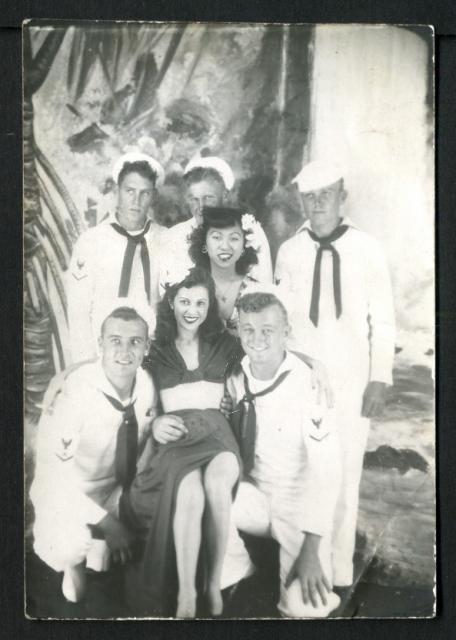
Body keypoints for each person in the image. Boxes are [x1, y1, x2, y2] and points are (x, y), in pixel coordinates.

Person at [275, 160, 395, 591]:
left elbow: (383, 319)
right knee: (305, 468)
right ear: (301, 201)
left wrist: (379, 377)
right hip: (303, 376)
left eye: (326, 194)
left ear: (342, 196)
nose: (318, 203)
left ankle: (339, 573)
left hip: (352, 379)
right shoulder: (290, 251)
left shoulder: (367, 249)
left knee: (345, 474)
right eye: (310, 196)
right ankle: (305, 561)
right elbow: (282, 318)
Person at [120, 267, 247, 618]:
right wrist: (156, 423)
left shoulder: (225, 345)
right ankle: (187, 593)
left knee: (217, 485)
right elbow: (128, 380)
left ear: (209, 307)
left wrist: (316, 364)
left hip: (219, 436)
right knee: (189, 493)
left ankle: (213, 583)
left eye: (200, 303)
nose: (192, 310)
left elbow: (272, 351)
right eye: (185, 301)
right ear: (171, 303)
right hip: (178, 439)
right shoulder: (155, 351)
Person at [222, 287, 342, 618]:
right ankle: (240, 572)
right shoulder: (235, 374)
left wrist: (311, 549)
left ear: (286, 332)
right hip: (253, 495)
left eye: (268, 330)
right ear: (238, 331)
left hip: (298, 506)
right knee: (204, 492)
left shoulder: (310, 384)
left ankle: (302, 580)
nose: (257, 339)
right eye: (248, 329)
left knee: (304, 610)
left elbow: (327, 472)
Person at [30, 302, 158, 604]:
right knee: (70, 546)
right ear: (100, 344)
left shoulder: (146, 384)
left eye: (135, 341)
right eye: (115, 340)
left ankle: (106, 556)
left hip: (114, 488)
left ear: (147, 346)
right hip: (67, 492)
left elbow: (146, 438)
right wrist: (109, 524)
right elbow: (54, 480)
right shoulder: (74, 394)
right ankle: (75, 570)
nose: (124, 351)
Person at [66, 152, 167, 363]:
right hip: (103, 357)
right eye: (129, 191)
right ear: (117, 191)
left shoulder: (167, 239)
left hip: (153, 356)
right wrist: (87, 365)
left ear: (154, 196)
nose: (136, 201)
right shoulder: (91, 241)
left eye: (144, 193)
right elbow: (78, 312)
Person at [158, 155, 273, 292]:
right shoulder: (174, 236)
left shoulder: (250, 232)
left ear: (224, 196)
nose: (201, 206)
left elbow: (265, 288)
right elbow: (164, 290)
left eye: (208, 198)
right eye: (194, 199)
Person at [188, 206, 268, 332]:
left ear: (244, 245)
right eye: (217, 237)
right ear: (204, 243)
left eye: (234, 238)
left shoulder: (256, 290)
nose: (225, 246)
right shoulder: (189, 286)